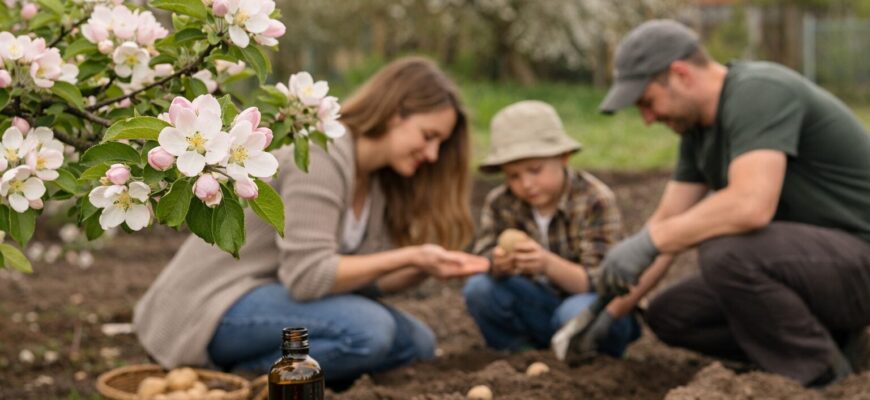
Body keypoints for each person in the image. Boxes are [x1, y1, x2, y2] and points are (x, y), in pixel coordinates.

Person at [133, 57, 488, 383]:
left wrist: (427, 266)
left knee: (417, 344)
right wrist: (411, 256)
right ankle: (234, 383)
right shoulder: (322, 157)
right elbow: (307, 277)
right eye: (429, 137)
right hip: (213, 305)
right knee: (369, 330)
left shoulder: (378, 181)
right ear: (396, 112)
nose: (432, 154)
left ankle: (254, 370)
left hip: (274, 297)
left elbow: (358, 280)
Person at [586, 19, 870, 386]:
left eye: (647, 102)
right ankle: (827, 346)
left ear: (680, 74)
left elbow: (751, 205)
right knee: (672, 314)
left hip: (860, 259)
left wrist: (650, 241)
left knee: (727, 252)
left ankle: (823, 377)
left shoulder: (759, 92)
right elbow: (668, 222)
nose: (647, 118)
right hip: (816, 267)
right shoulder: (696, 130)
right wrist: (608, 312)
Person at [462, 100, 641, 357]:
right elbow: (485, 257)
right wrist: (498, 264)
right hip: (538, 303)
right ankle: (521, 355)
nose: (526, 184)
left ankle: (593, 359)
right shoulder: (500, 203)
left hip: (590, 303)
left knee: (573, 314)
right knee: (479, 289)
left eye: (535, 171)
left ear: (564, 157)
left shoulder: (594, 199)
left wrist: (547, 265)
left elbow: (603, 283)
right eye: (513, 176)